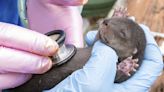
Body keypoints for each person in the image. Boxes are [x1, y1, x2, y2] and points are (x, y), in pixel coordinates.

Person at [0, 1, 163, 92]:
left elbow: (111, 76)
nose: (106, 24)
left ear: (132, 52)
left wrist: (25, 2)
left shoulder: (119, 59)